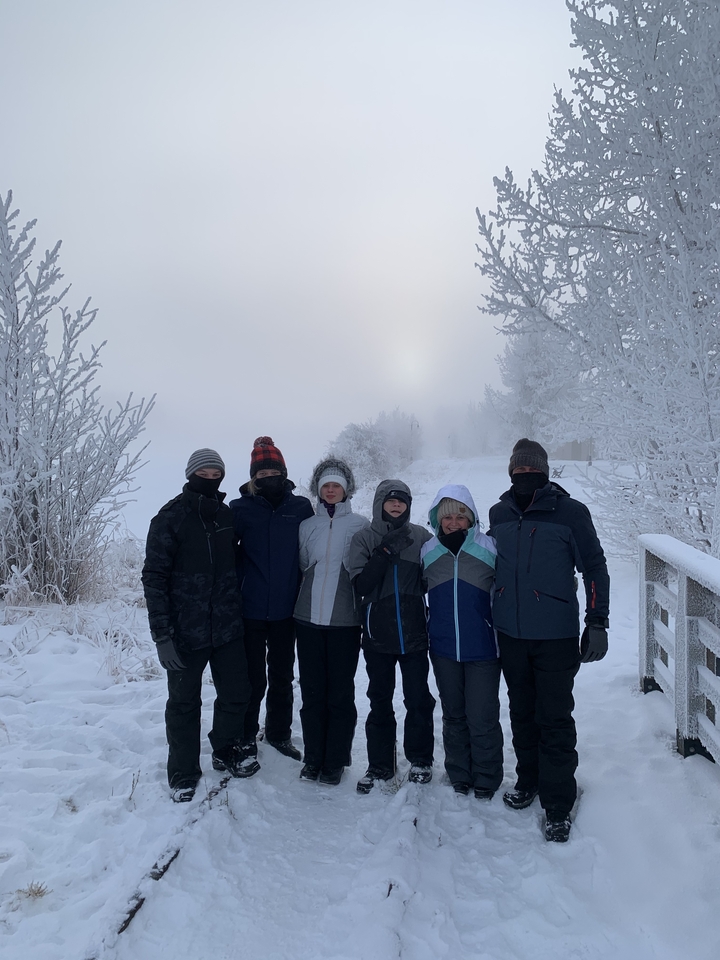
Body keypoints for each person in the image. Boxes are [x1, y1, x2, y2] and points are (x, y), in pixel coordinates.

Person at [488, 438, 610, 843]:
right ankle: (529, 779)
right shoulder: (499, 513)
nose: (524, 477)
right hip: (510, 634)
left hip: (556, 636)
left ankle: (558, 803)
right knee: (521, 712)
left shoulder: (570, 513)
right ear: (510, 473)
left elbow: (594, 567)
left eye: (531, 470)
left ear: (544, 471)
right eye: (517, 471)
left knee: (554, 718)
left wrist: (597, 621)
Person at [142, 448, 258, 803]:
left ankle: (225, 750)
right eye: (203, 475)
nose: (210, 481)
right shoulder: (169, 518)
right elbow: (154, 577)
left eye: (215, 475)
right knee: (183, 703)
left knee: (237, 693)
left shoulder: (225, 515)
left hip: (226, 627)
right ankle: (183, 772)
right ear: (191, 475)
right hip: (184, 632)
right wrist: (162, 635)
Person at [347, 479, 435, 793]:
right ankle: (380, 765)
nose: (396, 506)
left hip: (413, 634)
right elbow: (362, 586)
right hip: (377, 634)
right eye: (390, 500)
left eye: (402, 501)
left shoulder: (421, 537)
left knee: (418, 699)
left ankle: (421, 759)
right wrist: (384, 552)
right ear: (379, 503)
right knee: (380, 701)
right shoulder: (364, 538)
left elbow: (432, 580)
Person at [229, 437, 313, 762]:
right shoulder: (239, 510)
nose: (267, 477)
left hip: (285, 610)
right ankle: (246, 736)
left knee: (282, 676)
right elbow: (225, 555)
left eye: (272, 471)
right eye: (261, 473)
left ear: (284, 471)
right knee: (252, 678)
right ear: (253, 476)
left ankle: (279, 734)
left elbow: (312, 551)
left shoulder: (301, 508)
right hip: (248, 609)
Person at [421, 485, 503, 800]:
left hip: (483, 647)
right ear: (437, 520)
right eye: (447, 518)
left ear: (470, 518)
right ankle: (459, 773)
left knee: (482, 715)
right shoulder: (428, 551)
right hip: (442, 648)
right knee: (454, 714)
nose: (454, 523)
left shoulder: (490, 548)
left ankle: (487, 776)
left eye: (460, 516)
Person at [293, 457, 370, 786]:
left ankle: (335, 761)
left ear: (346, 489)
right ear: (318, 489)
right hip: (307, 619)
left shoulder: (361, 525)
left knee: (340, 694)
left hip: (344, 622)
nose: (331, 490)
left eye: (336, 485)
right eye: (326, 485)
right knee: (312, 694)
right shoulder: (307, 526)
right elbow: (304, 564)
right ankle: (313, 759)